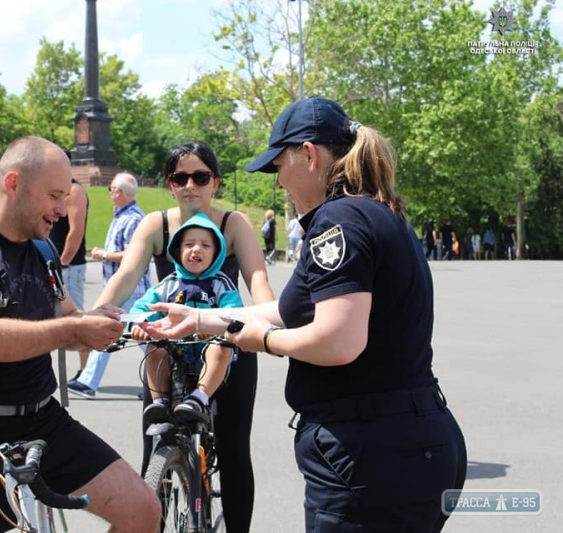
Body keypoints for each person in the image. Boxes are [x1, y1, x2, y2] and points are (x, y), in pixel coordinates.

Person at [143, 98, 467, 532]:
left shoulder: (338, 221)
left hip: (366, 455)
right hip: (403, 442)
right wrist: (201, 319)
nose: (278, 185)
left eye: (278, 167)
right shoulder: (374, 210)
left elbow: (338, 341)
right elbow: (289, 310)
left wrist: (265, 342)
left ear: (309, 155)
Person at [0, 136, 159, 532]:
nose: (62, 211)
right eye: (53, 196)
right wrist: (75, 326)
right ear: (13, 184)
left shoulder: (43, 250)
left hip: (44, 423)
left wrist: (110, 326)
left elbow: (67, 322)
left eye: (65, 197)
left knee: (141, 510)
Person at [89, 141, 275, 532]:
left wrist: (268, 321)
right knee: (153, 443)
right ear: (170, 184)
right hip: (169, 343)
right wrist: (97, 316)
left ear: (215, 183)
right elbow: (127, 276)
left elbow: (258, 278)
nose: (190, 184)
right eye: (180, 177)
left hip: (225, 341)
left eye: (200, 176)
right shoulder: (156, 224)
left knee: (232, 448)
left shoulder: (233, 223)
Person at [129, 213, 243, 425]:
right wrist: (138, 324)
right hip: (175, 353)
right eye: (189, 244)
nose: (196, 249)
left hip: (209, 356)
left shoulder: (221, 284)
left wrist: (214, 325)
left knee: (219, 346)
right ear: (177, 251)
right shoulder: (169, 284)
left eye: (205, 245)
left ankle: (199, 398)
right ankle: (160, 402)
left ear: (217, 253)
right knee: (155, 347)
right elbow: (144, 306)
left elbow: (234, 312)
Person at [68, 172, 152, 399]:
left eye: (112, 189)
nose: (110, 194)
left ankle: (88, 381)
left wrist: (104, 254)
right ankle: (162, 382)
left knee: (118, 331)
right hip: (124, 288)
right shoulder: (124, 216)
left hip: (131, 289)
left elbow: (134, 255)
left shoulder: (133, 219)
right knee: (141, 337)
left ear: (120, 192)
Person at [49, 147, 90, 376]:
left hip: (70, 266)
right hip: (58, 265)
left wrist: (62, 262)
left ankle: (85, 372)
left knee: (76, 317)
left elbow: (75, 232)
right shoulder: (57, 190)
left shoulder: (74, 191)